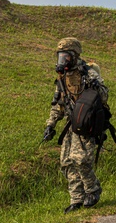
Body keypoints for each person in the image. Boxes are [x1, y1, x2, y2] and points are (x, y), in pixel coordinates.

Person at [43, 37, 108, 213]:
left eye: (66, 57)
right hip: (70, 123)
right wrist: (51, 125)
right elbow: (58, 104)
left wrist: (96, 87)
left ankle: (92, 190)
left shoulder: (88, 74)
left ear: (74, 56)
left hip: (86, 124)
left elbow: (103, 97)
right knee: (66, 162)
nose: (63, 61)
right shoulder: (63, 77)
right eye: (60, 56)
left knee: (81, 160)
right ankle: (76, 198)